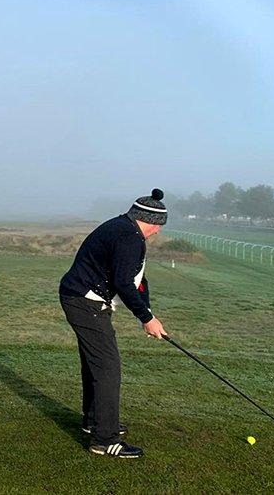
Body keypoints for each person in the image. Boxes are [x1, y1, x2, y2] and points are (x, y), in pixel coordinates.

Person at [59, 189, 170, 458]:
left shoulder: (121, 226)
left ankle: (93, 421)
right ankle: (104, 439)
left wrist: (148, 312)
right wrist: (146, 319)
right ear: (152, 223)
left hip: (79, 298)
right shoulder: (129, 238)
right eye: (159, 227)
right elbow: (123, 282)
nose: (157, 233)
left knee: (95, 363)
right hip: (85, 302)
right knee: (108, 368)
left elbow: (137, 280)